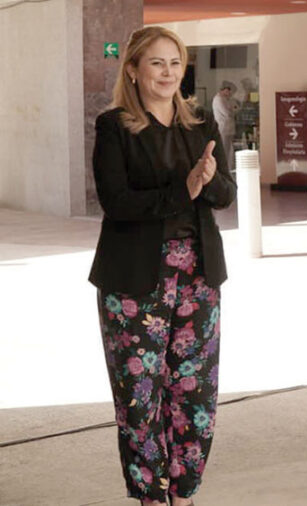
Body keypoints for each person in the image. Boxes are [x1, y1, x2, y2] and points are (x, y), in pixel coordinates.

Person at [90, 26, 236, 506]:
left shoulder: (200, 123)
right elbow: (115, 202)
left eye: (175, 63)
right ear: (134, 69)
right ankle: (151, 496)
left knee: (195, 391)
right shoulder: (114, 127)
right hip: (135, 277)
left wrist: (208, 181)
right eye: (156, 62)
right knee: (140, 394)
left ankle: (184, 491)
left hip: (199, 275)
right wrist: (183, 190)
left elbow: (225, 194)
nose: (168, 72)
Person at [211, 81, 238, 171]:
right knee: (224, 149)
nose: (230, 94)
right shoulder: (218, 99)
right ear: (224, 89)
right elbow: (227, 113)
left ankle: (230, 167)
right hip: (223, 128)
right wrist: (232, 110)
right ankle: (224, 168)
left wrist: (232, 110)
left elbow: (236, 108)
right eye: (229, 91)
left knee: (229, 149)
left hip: (229, 128)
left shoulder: (227, 99)